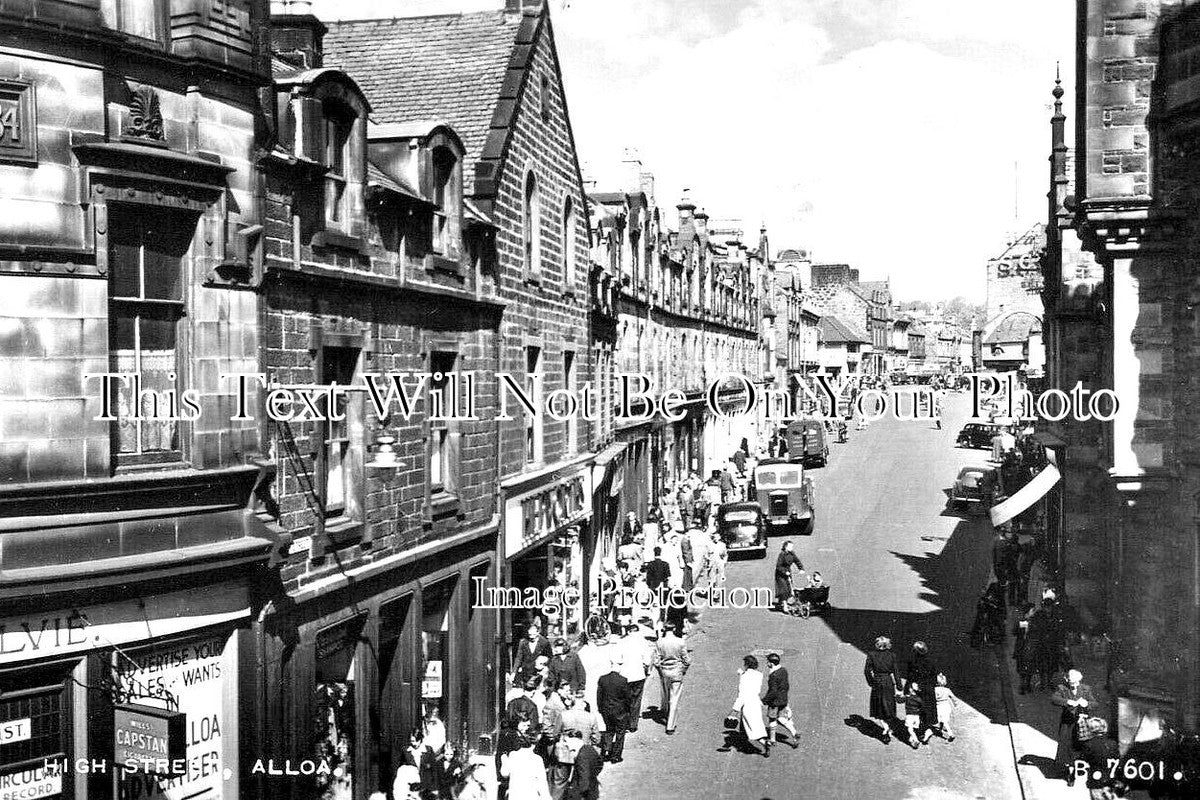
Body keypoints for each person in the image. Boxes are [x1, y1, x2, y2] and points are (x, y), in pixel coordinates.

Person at [1051, 668, 1098, 786]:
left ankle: (1076, 768)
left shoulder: (1086, 689)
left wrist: (1087, 704)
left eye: (1076, 683)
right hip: (1067, 724)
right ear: (1067, 680)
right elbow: (1054, 699)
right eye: (1072, 683)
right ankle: (1069, 769)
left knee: (1080, 746)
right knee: (1066, 745)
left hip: (1081, 723)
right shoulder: (1062, 688)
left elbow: (1095, 703)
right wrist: (1067, 701)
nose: (1074, 685)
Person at [653, 624, 690, 734]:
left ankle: (665, 712)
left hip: (665, 671)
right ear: (674, 629)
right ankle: (670, 726)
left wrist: (660, 670)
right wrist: (683, 670)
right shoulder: (680, 642)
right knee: (674, 699)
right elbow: (687, 660)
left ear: (664, 629)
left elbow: (656, 661)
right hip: (677, 671)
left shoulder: (660, 642)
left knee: (666, 694)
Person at [732, 654, 769, 757]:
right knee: (754, 725)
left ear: (747, 664)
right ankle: (743, 741)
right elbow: (751, 681)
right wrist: (742, 674)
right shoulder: (759, 675)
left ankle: (764, 743)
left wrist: (735, 709)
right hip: (755, 702)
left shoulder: (744, 677)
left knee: (752, 728)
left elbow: (742, 694)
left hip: (747, 704)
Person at [500, 725, 551, 800]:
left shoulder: (513, 755)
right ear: (534, 744)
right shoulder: (537, 759)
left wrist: (504, 758)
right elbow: (542, 784)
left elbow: (504, 773)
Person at [864, 636, 900, 742]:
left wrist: (871, 682)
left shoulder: (871, 655)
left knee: (879, 708)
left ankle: (885, 728)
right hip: (888, 682)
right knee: (889, 707)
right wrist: (899, 685)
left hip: (877, 682)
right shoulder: (892, 655)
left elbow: (867, 671)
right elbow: (896, 671)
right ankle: (888, 728)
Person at [596, 655, 631, 763]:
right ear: (618, 666)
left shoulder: (602, 679)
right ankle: (616, 756)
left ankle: (606, 751)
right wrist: (627, 710)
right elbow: (628, 698)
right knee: (620, 733)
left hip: (606, 710)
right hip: (620, 711)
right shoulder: (623, 680)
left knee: (609, 730)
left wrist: (600, 709)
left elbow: (599, 696)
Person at [903, 641, 939, 744]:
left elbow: (910, 676)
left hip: (918, 689)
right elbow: (934, 678)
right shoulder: (931, 661)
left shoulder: (912, 662)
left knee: (917, 710)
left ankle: (919, 732)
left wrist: (907, 689)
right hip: (928, 689)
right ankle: (927, 730)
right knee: (928, 711)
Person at [616, 624, 650, 734]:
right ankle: (633, 725)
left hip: (625, 676)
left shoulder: (622, 642)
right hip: (639, 675)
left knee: (625, 699)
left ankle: (625, 722)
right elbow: (647, 661)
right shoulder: (643, 642)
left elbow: (618, 660)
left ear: (628, 632)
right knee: (636, 700)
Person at [762, 653, 800, 749]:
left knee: (772, 719)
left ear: (771, 663)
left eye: (768, 662)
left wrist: (764, 700)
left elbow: (773, 691)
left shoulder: (773, 675)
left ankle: (772, 740)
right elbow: (786, 685)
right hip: (783, 699)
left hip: (774, 702)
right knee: (781, 718)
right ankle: (794, 733)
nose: (767, 664)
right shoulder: (783, 670)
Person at [565, 731, 604, 800]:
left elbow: (584, 783)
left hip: (583, 795)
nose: (566, 744)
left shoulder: (582, 756)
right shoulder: (589, 748)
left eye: (567, 741)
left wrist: (574, 794)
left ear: (575, 740)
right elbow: (600, 763)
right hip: (593, 789)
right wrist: (592, 775)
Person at [774, 541, 804, 612]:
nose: (792, 548)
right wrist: (785, 572)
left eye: (792, 546)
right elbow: (778, 566)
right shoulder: (782, 554)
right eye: (790, 546)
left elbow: (797, 561)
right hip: (780, 574)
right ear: (786, 547)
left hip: (788, 572)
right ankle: (784, 605)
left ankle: (781, 602)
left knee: (789, 589)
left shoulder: (792, 553)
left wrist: (801, 569)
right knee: (784, 590)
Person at [934, 672, 958, 742]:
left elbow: (933, 698)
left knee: (943, 720)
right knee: (943, 719)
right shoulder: (947, 690)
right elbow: (953, 697)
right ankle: (940, 730)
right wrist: (956, 704)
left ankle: (950, 734)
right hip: (947, 706)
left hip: (939, 706)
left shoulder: (935, 689)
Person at [903, 681, 924, 748]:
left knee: (910, 729)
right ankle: (911, 739)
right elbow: (922, 706)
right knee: (914, 728)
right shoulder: (919, 698)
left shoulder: (907, 697)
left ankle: (915, 740)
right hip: (917, 716)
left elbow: (900, 700)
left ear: (911, 689)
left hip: (909, 715)